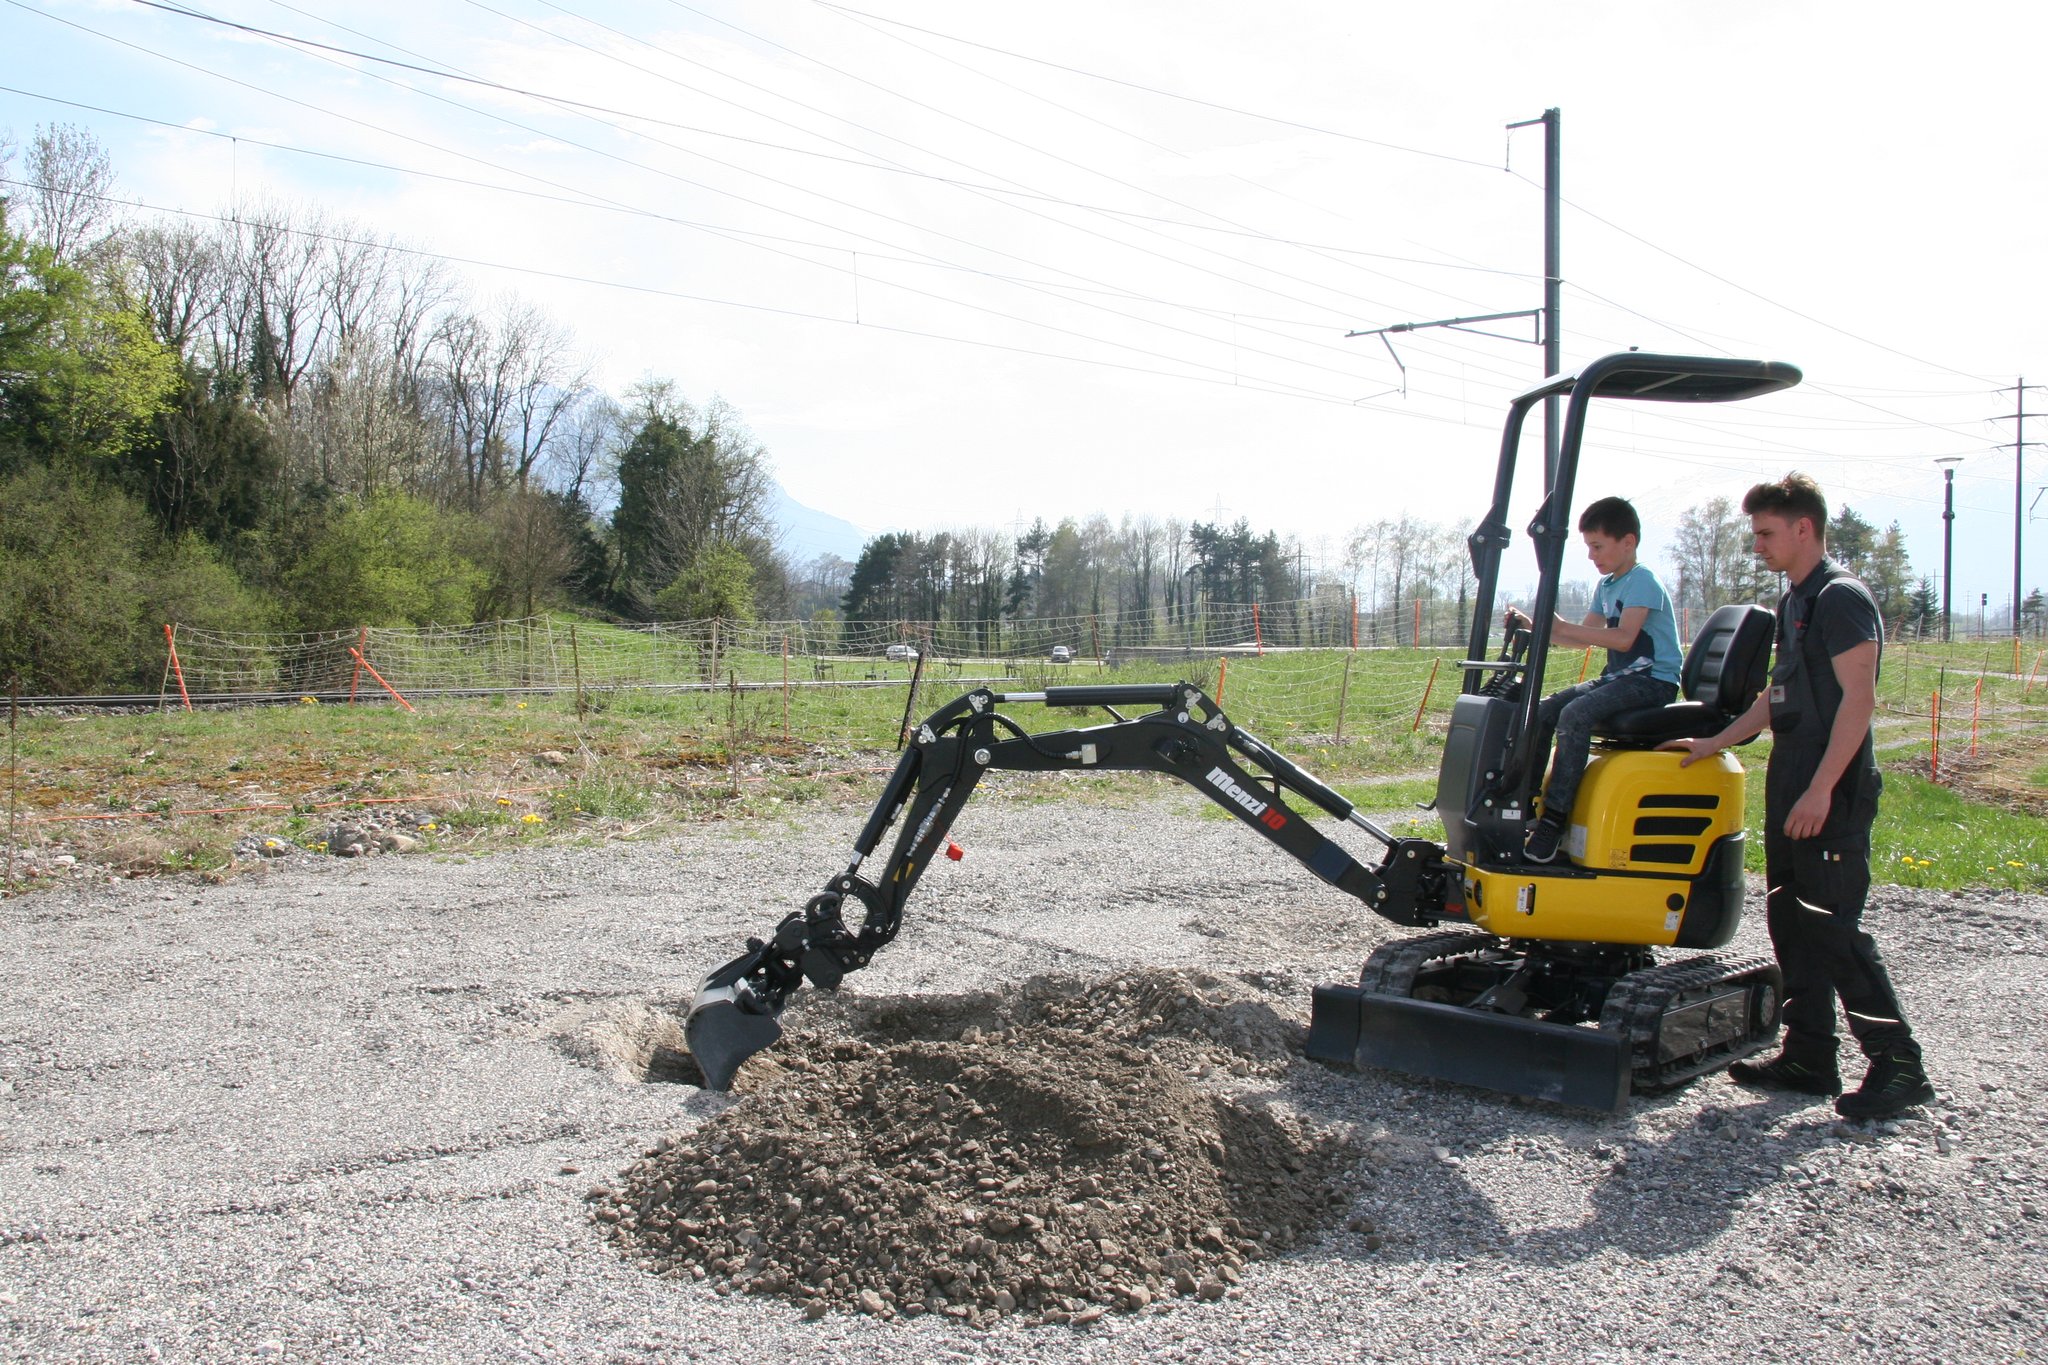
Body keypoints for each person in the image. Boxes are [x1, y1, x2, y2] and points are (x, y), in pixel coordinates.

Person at [1664, 473, 1934, 1120]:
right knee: (1790, 917)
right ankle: (1810, 1056)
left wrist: (1821, 788)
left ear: (1803, 528)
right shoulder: (1795, 600)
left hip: (1829, 785)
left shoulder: (1841, 598)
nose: (1757, 545)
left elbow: (1859, 700)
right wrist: (1715, 740)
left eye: (1765, 533)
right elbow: (1777, 692)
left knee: (1832, 927)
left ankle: (1898, 1063)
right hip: (1792, 774)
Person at [1504, 496, 1682, 864]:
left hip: (1653, 681)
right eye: (1588, 547)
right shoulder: (1607, 585)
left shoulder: (1642, 581)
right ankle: (1524, 806)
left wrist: (1559, 626)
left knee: (1575, 715)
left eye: (1597, 546)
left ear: (1628, 542)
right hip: (1622, 678)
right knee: (1544, 711)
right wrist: (1536, 626)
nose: (1591, 556)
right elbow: (1581, 638)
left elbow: (1624, 639)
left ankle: (1554, 820)